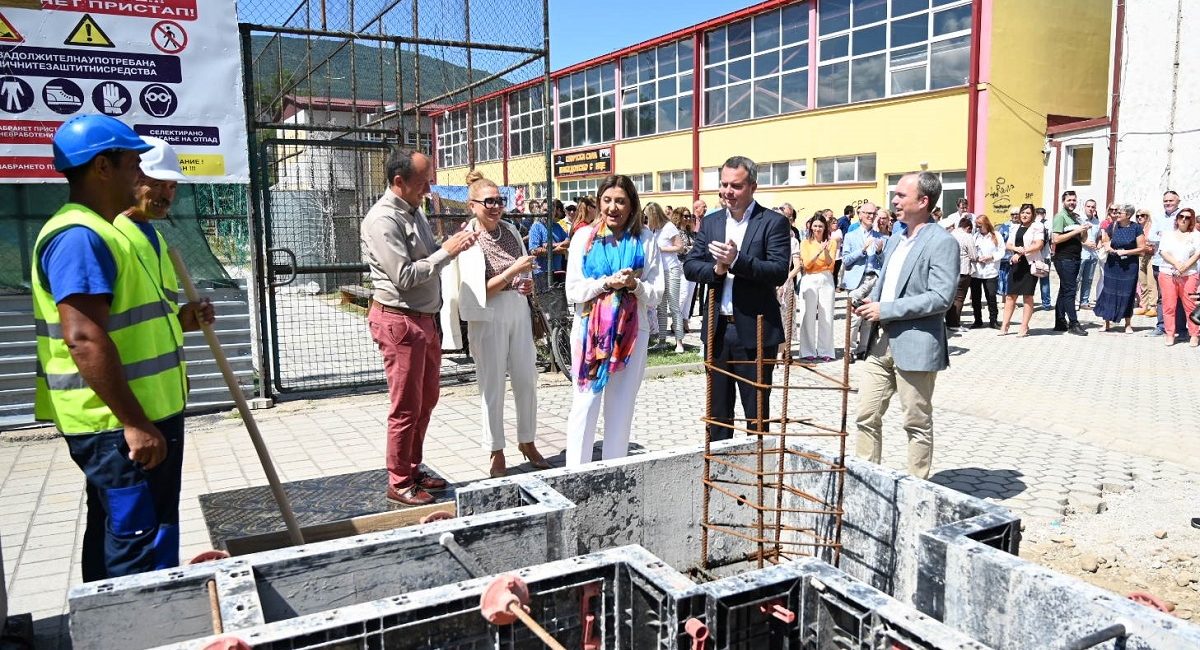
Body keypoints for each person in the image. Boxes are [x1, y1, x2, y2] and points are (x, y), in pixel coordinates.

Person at [33, 115, 198, 580]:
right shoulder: (79, 237)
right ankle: (135, 619)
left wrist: (182, 321)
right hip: (115, 424)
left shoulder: (102, 231)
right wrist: (134, 422)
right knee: (134, 539)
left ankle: (124, 611)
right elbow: (84, 338)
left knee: (132, 530)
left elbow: (129, 322)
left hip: (140, 413)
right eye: (132, 164)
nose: (139, 174)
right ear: (102, 168)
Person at [362, 148, 478, 506]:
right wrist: (448, 251)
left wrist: (451, 245)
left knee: (426, 400)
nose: (429, 189)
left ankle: (412, 467)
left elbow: (428, 256)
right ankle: (399, 481)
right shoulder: (383, 220)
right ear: (399, 181)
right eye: (423, 182)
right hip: (400, 322)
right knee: (406, 407)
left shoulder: (415, 211)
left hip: (424, 320)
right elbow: (405, 276)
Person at [854, 172, 958, 480]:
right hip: (880, 341)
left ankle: (916, 487)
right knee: (866, 414)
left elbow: (941, 297)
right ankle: (867, 481)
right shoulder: (897, 239)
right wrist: (870, 301)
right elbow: (888, 284)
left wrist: (886, 309)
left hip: (916, 344)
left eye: (901, 195)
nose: (894, 200)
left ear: (923, 201)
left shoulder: (942, 242)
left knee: (916, 422)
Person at [684, 156, 790, 441]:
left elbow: (778, 271)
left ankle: (757, 463)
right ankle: (720, 464)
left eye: (736, 186)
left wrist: (737, 261)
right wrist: (717, 270)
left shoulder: (773, 222)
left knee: (756, 413)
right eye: (724, 184)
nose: (728, 192)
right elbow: (691, 266)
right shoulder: (711, 222)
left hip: (755, 332)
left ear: (752, 186)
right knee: (718, 413)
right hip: (717, 330)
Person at [564, 175, 663, 466]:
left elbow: (656, 294)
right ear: (599, 202)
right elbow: (573, 290)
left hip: (631, 334)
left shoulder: (645, 239)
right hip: (589, 333)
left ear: (632, 205)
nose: (613, 207)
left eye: (620, 201)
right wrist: (606, 283)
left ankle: (614, 472)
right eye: (607, 200)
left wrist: (634, 285)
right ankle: (574, 474)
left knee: (621, 408)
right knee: (584, 404)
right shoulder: (584, 237)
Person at [456, 171, 550, 478]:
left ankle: (527, 440)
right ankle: (495, 449)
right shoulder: (468, 239)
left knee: (526, 378)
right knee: (492, 383)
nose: (496, 206)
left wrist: (525, 283)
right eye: (489, 201)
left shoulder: (510, 229)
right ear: (472, 205)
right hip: (488, 313)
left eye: (500, 200)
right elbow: (477, 291)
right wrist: (512, 273)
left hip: (517, 308)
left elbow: (523, 273)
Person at [116, 136, 213, 325]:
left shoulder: (156, 239)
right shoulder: (108, 234)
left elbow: (146, 318)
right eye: (157, 184)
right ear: (131, 180)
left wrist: (179, 323)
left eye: (172, 186)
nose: (167, 195)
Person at [840, 202, 886, 361]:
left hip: (874, 280)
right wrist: (862, 250)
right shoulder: (850, 236)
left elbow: (885, 263)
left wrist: (879, 252)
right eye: (867, 213)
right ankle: (849, 350)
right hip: (857, 281)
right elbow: (845, 260)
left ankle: (863, 349)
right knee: (854, 317)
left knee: (869, 318)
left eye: (873, 214)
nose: (870, 216)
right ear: (860, 214)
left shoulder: (881, 237)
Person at [1095, 204, 1146, 333]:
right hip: (1112, 264)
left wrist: (1126, 252)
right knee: (1109, 292)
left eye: (1120, 213)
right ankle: (1106, 322)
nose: (1117, 214)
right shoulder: (1113, 226)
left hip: (1129, 266)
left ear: (1128, 215)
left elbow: (1142, 248)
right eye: (1117, 212)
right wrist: (1108, 247)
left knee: (1127, 293)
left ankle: (1127, 324)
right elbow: (1105, 240)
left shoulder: (1136, 228)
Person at [998, 204, 1045, 337]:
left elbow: (1038, 245)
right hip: (1016, 264)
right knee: (1010, 296)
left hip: (1030, 265)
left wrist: (1021, 252)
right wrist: (1015, 249)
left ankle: (1024, 326)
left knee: (1027, 296)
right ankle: (1005, 325)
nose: (1024, 215)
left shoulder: (1037, 226)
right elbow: (1008, 244)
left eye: (1028, 213)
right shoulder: (1015, 227)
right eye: (1023, 212)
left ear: (1033, 215)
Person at [1156, 207, 1200, 346]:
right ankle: (1170, 334)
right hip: (1167, 273)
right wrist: (1177, 264)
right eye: (1181, 216)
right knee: (1169, 306)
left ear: (1191, 220)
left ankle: (1194, 334)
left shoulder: (1196, 235)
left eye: (1187, 217)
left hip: (1189, 275)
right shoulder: (1168, 234)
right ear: (1177, 219)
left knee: (1191, 306)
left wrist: (1184, 267)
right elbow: (1163, 252)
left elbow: (1197, 254)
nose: (1184, 219)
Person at [796, 214, 838, 362]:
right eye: (815, 226)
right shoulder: (805, 243)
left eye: (820, 226)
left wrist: (825, 250)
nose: (818, 229)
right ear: (811, 227)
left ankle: (825, 350)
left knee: (827, 316)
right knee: (808, 315)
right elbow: (807, 264)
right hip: (810, 278)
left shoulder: (832, 243)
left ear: (825, 227)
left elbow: (831, 264)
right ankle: (807, 350)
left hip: (826, 278)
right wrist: (819, 251)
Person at [646, 202, 685, 351]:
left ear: (654, 215)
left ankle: (679, 342)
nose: (647, 220)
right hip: (659, 272)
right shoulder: (654, 230)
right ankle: (662, 340)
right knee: (661, 308)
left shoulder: (669, 227)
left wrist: (661, 249)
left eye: (648, 216)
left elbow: (679, 247)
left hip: (671, 269)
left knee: (674, 306)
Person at [1050, 191, 1089, 335]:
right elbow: (1056, 239)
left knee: (1064, 290)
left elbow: (1083, 239)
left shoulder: (1075, 217)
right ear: (1063, 201)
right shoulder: (1060, 217)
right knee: (1070, 291)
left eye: (1074, 200)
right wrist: (1076, 230)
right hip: (1064, 259)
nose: (1072, 202)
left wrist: (1084, 229)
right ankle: (1073, 323)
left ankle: (1060, 322)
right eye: (1069, 200)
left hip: (1075, 258)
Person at [1146, 191, 1183, 336]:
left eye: (1171, 201)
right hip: (1159, 262)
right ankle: (1162, 326)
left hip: (1179, 264)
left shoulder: (1184, 216)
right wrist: (1169, 236)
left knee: (1180, 297)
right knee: (1162, 297)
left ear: (1178, 201)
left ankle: (1180, 328)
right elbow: (1151, 237)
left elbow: (1184, 237)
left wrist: (1164, 235)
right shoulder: (1158, 217)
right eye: (1165, 201)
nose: (1168, 203)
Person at [528, 199, 570, 293]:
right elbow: (534, 251)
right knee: (545, 301)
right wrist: (557, 250)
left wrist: (551, 245)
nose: (548, 213)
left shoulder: (557, 227)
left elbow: (568, 242)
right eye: (545, 210)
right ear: (541, 210)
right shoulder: (536, 227)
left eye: (551, 210)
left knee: (558, 301)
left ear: (555, 212)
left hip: (557, 271)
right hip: (542, 273)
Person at [970, 216, 1002, 328]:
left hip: (990, 271)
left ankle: (993, 320)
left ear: (986, 224)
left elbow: (1001, 251)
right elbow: (971, 251)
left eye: (980, 226)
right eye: (977, 226)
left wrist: (991, 257)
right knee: (976, 298)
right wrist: (977, 258)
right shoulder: (975, 236)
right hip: (977, 272)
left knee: (991, 296)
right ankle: (977, 320)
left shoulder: (996, 235)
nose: (978, 228)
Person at [946, 216, 976, 332]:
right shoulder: (967, 236)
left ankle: (948, 321)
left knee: (950, 297)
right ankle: (954, 323)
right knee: (959, 298)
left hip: (949, 270)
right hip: (963, 270)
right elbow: (973, 256)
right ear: (968, 228)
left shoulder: (950, 234)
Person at [675, 207, 699, 325]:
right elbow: (680, 250)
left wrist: (692, 249)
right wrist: (692, 249)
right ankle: (676, 322)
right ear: (679, 217)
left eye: (689, 216)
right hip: (681, 266)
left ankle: (685, 320)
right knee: (683, 294)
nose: (688, 218)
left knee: (690, 295)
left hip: (692, 266)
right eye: (685, 216)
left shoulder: (692, 233)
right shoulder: (676, 232)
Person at [1078, 198, 1101, 309]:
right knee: (1077, 279)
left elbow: (1099, 236)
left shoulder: (1097, 222)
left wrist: (1099, 244)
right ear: (1084, 207)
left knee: (1088, 279)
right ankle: (1074, 301)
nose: (1091, 209)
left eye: (1093, 207)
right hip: (1081, 253)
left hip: (1093, 254)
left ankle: (1084, 301)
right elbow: (1075, 237)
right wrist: (1085, 243)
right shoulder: (1079, 219)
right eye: (1089, 206)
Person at [1135, 209, 1158, 318]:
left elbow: (1155, 243)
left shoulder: (1152, 228)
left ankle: (1153, 307)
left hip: (1151, 257)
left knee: (1151, 283)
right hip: (1141, 256)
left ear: (1147, 216)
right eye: (1138, 216)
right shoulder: (1138, 228)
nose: (1140, 217)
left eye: (1142, 215)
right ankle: (1144, 306)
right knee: (1142, 282)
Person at [996, 207, 1019, 297]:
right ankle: (1004, 298)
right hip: (1006, 256)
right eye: (1013, 214)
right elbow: (998, 239)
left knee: (1015, 278)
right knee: (1004, 278)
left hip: (1018, 255)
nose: (1015, 216)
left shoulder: (1023, 225)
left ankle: (1012, 298)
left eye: (1016, 214)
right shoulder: (1005, 226)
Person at [1034, 207, 1053, 310]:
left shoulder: (1033, 224)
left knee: (1031, 281)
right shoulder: (1049, 224)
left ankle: (1029, 302)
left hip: (1033, 256)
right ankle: (1046, 304)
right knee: (1045, 281)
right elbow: (1051, 239)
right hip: (1045, 256)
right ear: (1044, 214)